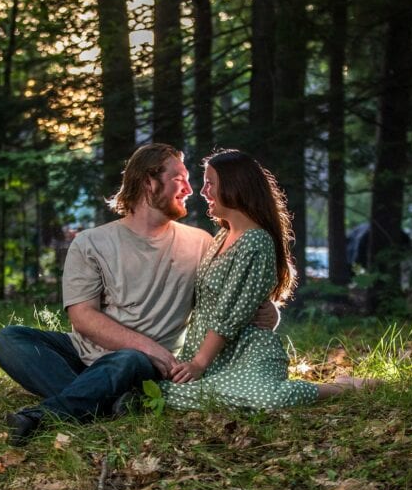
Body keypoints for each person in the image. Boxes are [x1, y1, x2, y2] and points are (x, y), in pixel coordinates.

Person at [0, 143, 276, 445]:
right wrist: (149, 346)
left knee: (127, 359)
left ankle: (42, 416)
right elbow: (83, 317)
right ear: (148, 182)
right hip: (85, 354)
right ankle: (110, 403)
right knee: (9, 339)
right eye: (180, 179)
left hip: (144, 367)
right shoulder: (92, 242)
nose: (191, 190)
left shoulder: (201, 243)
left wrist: (269, 313)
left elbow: (228, 299)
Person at [160, 149, 375, 410]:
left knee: (267, 400)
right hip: (209, 352)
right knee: (169, 394)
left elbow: (230, 311)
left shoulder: (255, 241)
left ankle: (342, 387)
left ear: (234, 185)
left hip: (246, 352)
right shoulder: (221, 236)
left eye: (210, 183)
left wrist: (199, 364)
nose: (203, 191)